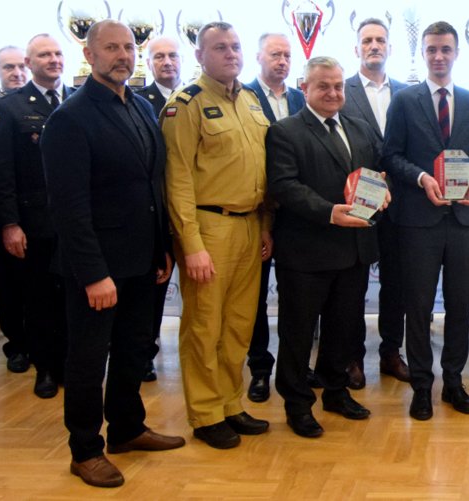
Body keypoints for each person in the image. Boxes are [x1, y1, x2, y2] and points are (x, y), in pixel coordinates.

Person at [41, 19, 185, 488]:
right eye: (111, 48)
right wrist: (93, 274)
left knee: (133, 349)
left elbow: (152, 185)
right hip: (98, 268)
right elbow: (68, 208)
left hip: (143, 260)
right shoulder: (70, 118)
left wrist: (162, 249)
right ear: (89, 55)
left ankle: (127, 428)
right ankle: (85, 450)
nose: (123, 55)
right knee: (88, 360)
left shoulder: (141, 106)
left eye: (129, 47)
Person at [161, 21, 272, 448]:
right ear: (200, 56)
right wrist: (190, 245)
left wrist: (265, 226)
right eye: (220, 47)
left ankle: (229, 402)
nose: (230, 54)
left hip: (250, 225)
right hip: (209, 227)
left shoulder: (250, 100)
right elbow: (177, 179)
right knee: (205, 325)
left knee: (239, 324)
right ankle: (206, 413)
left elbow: (261, 170)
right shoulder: (185, 104)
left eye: (235, 46)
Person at [267, 56, 384, 438]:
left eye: (338, 86)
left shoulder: (360, 128)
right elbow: (284, 186)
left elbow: (372, 175)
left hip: (354, 250)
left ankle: (336, 391)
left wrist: (381, 190)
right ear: (305, 88)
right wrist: (329, 212)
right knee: (298, 334)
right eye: (323, 86)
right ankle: (297, 404)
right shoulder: (285, 131)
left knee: (343, 329)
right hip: (306, 252)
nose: (333, 93)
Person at [382, 21, 469, 421]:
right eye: (431, 49)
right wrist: (421, 178)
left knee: (461, 305)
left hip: (464, 219)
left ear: (456, 53)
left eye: (445, 49)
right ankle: (421, 387)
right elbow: (391, 156)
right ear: (423, 53)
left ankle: (454, 383)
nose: (439, 56)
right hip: (418, 220)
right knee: (418, 307)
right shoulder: (404, 101)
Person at [0, 34, 73, 398]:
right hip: (35, 223)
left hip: (76, 223)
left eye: (57, 53)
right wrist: (10, 223)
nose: (53, 60)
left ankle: (69, 364)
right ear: (29, 62)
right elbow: (2, 172)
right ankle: (46, 369)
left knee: (73, 298)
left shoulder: (78, 99)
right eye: (44, 55)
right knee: (39, 300)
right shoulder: (9, 107)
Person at [340, 17, 410, 384]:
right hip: (359, 203)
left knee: (396, 284)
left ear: (389, 47)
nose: (374, 46)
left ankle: (391, 353)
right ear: (356, 48)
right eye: (367, 40)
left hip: (400, 205)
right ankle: (352, 357)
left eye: (380, 40)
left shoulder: (407, 93)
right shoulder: (342, 90)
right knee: (353, 286)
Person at [242, 32, 305, 403]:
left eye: (287, 55)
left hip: (297, 213)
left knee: (297, 295)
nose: (282, 61)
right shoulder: (243, 97)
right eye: (275, 54)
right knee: (255, 297)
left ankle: (296, 366)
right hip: (259, 211)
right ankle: (260, 368)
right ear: (259, 57)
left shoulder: (300, 98)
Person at [135, 34, 182, 383]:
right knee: (152, 291)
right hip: (157, 210)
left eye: (172, 55)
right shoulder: (140, 102)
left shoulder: (195, 97)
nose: (167, 62)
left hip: (193, 209)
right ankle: (144, 352)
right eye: (159, 56)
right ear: (149, 63)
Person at [0, 45, 29, 375]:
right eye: (8, 67)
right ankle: (16, 345)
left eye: (20, 66)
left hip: (38, 213)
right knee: (10, 286)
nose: (17, 73)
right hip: (3, 214)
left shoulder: (43, 105)